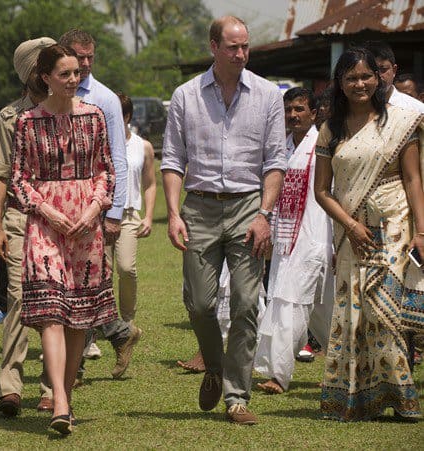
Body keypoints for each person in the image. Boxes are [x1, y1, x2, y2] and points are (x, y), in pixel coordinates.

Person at [161, 16, 286, 425]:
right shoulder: (186, 95)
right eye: (232, 47)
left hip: (249, 205)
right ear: (213, 46)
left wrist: (264, 215)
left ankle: (236, 396)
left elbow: (275, 161)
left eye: (245, 46)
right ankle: (214, 367)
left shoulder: (268, 95)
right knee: (199, 303)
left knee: (248, 302)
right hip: (198, 206)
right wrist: (174, 213)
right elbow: (173, 159)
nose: (241, 54)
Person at [10, 44, 116, 435]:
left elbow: (107, 169)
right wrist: (46, 210)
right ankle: (59, 398)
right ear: (46, 77)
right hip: (45, 225)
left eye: (77, 73)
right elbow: (18, 179)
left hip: (87, 225)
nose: (74, 80)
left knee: (78, 318)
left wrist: (94, 207)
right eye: (65, 74)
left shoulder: (96, 117)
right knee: (52, 312)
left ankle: (64, 397)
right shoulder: (27, 122)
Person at [313, 47, 424, 422]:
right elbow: (321, 191)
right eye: (351, 78)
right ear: (340, 84)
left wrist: (421, 232)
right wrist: (350, 225)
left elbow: (413, 180)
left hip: (393, 225)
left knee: (383, 311)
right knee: (354, 313)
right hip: (351, 230)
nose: (359, 83)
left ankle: (403, 398)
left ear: (378, 79)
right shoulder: (331, 129)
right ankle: (359, 398)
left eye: (366, 76)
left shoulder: (399, 122)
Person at [59, 28, 142, 381]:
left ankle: (74, 365)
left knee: (85, 282)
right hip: (59, 204)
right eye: (80, 57)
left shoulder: (104, 99)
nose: (87, 64)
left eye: (92, 57)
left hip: (94, 206)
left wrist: (113, 213)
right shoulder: (53, 92)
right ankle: (117, 333)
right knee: (69, 282)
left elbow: (117, 160)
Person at [0, 37, 56, 418]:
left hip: (59, 222)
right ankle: (10, 388)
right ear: (30, 72)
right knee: (17, 299)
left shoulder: (71, 111)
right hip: (18, 217)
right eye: (41, 66)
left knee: (53, 305)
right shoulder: (9, 117)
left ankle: (51, 386)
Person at [254, 88, 334, 395]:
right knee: (316, 311)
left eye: (300, 109)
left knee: (295, 303)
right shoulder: (281, 148)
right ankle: (347, 364)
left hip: (316, 238)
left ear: (314, 113)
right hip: (285, 237)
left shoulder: (323, 145)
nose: (293, 115)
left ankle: (280, 375)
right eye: (289, 110)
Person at [108, 93, 156, 322]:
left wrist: (148, 217)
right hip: (101, 215)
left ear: (127, 116)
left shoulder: (142, 146)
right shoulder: (100, 144)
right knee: (100, 273)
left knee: (126, 268)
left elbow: (150, 183)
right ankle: (98, 326)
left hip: (128, 215)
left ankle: (127, 321)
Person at [363, 41, 424, 114]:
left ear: (394, 70)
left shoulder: (416, 110)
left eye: (383, 69)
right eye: (371, 71)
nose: (378, 76)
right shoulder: (351, 109)